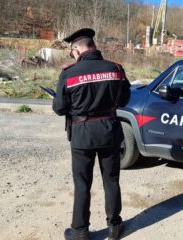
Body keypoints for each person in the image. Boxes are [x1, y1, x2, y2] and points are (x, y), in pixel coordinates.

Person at [52, 28, 131, 240]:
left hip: (82, 136)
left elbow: (59, 108)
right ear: (93, 46)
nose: (72, 55)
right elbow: (124, 100)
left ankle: (80, 231)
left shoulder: (69, 74)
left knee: (82, 183)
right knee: (111, 180)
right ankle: (114, 227)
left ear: (77, 49)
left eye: (72, 52)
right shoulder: (116, 69)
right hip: (110, 133)